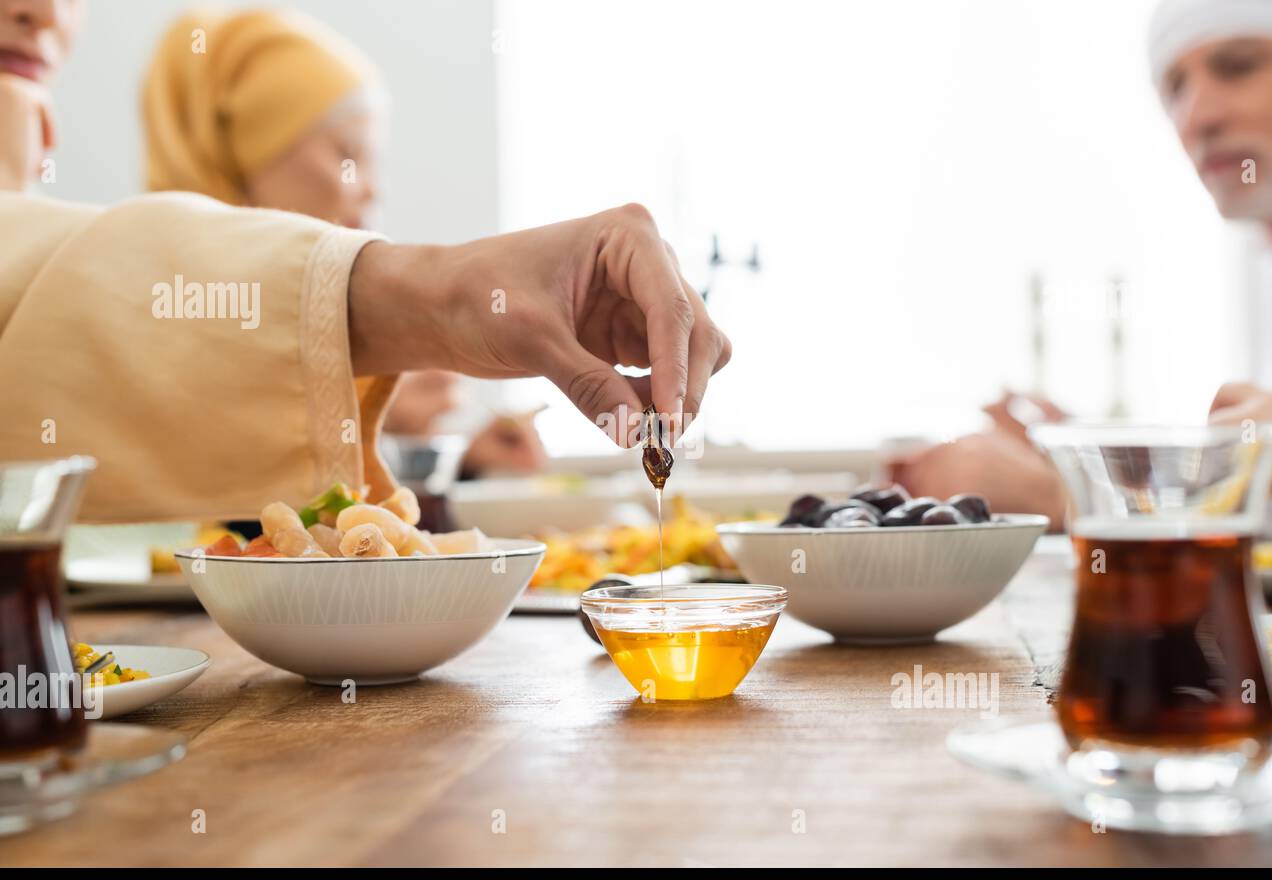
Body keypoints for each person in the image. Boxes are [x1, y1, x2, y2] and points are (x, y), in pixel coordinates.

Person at [0, 0, 728, 522]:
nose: (44, 10)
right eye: (343, 155)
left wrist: (442, 449)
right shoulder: (147, 286)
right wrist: (432, 305)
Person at [893, 0, 1272, 529]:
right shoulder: (1270, 261)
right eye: (1174, 88)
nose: (1198, 116)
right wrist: (1090, 465)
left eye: (1240, 66)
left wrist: (1066, 498)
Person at [140, 8, 546, 478]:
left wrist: (449, 459)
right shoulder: (177, 306)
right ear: (242, 160)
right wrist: (357, 408)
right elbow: (236, 509)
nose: (372, 189)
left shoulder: (308, 314)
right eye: (347, 153)